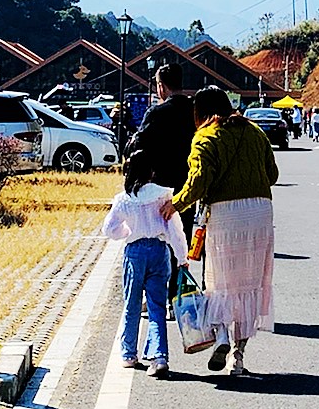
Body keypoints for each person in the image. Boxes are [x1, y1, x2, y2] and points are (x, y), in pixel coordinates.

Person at [164, 86, 278, 377]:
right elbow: (272, 174)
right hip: (260, 212)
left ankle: (223, 338)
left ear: (199, 112)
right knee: (250, 285)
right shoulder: (254, 132)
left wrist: (175, 204)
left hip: (227, 216)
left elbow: (199, 180)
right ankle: (237, 360)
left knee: (220, 281)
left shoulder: (205, 136)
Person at [102, 148, 187, 379]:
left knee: (131, 304)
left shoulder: (124, 199)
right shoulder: (163, 195)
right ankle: (159, 356)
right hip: (160, 251)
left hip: (134, 252)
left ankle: (129, 353)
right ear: (152, 171)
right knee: (157, 305)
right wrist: (182, 258)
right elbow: (175, 230)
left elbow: (109, 229)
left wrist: (127, 230)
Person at [128, 65, 198, 239]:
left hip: (161, 185)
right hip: (190, 184)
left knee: (162, 239)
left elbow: (137, 144)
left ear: (161, 86)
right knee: (183, 237)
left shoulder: (157, 113)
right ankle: (182, 266)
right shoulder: (196, 111)